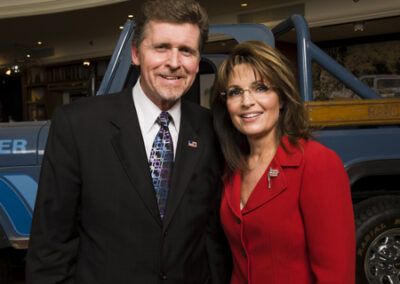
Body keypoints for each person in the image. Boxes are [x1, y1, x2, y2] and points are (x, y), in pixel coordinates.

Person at [26, 0, 231, 283]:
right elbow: (50, 248)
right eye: (161, 47)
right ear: (136, 53)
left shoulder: (211, 129)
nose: (174, 62)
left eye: (186, 51)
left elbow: (213, 241)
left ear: (197, 62)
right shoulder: (77, 126)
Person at [211, 40, 355, 284]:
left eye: (261, 88)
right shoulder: (231, 167)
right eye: (235, 92)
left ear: (283, 97)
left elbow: (337, 275)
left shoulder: (318, 163)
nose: (247, 101)